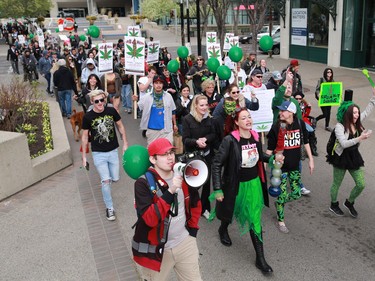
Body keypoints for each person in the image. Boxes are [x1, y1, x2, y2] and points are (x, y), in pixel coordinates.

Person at [211, 108, 272, 274]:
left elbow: (259, 156)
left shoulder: (255, 136)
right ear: (237, 122)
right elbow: (217, 164)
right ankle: (223, 228)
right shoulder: (230, 140)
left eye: (249, 117)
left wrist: (272, 158)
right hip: (234, 185)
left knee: (254, 219)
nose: (248, 120)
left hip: (253, 185)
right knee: (230, 211)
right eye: (243, 118)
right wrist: (217, 188)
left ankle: (260, 259)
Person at [132, 138, 203, 281]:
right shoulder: (142, 183)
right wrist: (171, 191)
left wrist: (192, 231)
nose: (170, 157)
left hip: (185, 243)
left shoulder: (182, 174)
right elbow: (150, 219)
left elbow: (195, 203)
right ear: (153, 159)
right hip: (158, 250)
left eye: (171, 152)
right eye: (164, 154)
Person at [266, 100, 314, 233]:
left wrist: (311, 160)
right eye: (280, 110)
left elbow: (306, 143)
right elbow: (269, 150)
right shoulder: (276, 127)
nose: (280, 113)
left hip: (294, 167)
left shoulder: (299, 124)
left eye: (283, 110)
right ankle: (281, 221)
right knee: (281, 194)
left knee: (297, 193)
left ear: (291, 112)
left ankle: (280, 202)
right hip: (280, 169)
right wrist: (263, 167)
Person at [327, 88, 375, 218]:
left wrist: (373, 97)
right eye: (354, 113)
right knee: (337, 184)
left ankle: (349, 202)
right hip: (341, 157)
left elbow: (367, 111)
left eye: (357, 113)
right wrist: (361, 138)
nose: (357, 115)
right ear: (348, 114)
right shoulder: (339, 127)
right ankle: (333, 204)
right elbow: (343, 143)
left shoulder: (357, 122)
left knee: (361, 184)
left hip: (354, 156)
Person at [81, 90, 128, 221]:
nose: (100, 103)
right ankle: (110, 208)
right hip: (98, 153)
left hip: (113, 151)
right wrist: (84, 157)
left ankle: (106, 181)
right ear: (92, 102)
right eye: (97, 101)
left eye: (102, 100)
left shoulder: (111, 111)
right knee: (106, 180)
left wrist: (125, 143)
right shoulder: (88, 117)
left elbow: (120, 126)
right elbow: (84, 137)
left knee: (115, 178)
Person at [182, 95, 217, 219]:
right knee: (193, 184)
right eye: (201, 105)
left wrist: (206, 139)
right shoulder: (187, 119)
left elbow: (213, 134)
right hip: (193, 158)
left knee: (207, 184)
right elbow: (185, 140)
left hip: (207, 155)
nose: (204, 107)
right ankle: (191, 207)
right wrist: (196, 142)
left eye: (206, 105)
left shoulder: (210, 119)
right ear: (195, 105)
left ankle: (205, 209)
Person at [134, 75, 178, 145]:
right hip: (152, 130)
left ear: (163, 84)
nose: (158, 85)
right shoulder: (147, 97)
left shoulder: (168, 96)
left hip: (166, 130)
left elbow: (173, 111)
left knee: (167, 152)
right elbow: (137, 107)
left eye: (160, 83)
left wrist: (175, 124)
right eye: (156, 83)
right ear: (153, 84)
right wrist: (135, 100)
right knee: (153, 153)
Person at [294, 92, 318, 156]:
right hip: (295, 122)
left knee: (311, 131)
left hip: (303, 121)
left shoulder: (303, 104)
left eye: (300, 98)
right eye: (296, 99)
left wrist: (308, 108)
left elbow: (306, 115)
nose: (298, 100)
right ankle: (302, 150)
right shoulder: (292, 104)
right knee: (306, 132)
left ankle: (312, 148)